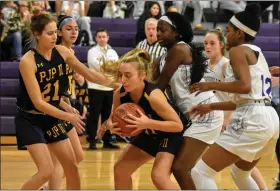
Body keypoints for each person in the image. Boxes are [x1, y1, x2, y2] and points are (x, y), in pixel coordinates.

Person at [15, 11, 113, 190]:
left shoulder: (61, 52)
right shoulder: (27, 61)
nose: (55, 37)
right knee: (46, 170)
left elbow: (89, 74)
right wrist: (67, 115)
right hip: (30, 118)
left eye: (55, 32)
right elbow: (38, 102)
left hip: (51, 116)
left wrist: (116, 83)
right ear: (37, 34)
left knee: (72, 166)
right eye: (50, 33)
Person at [189, 4, 279, 189]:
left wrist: (210, 84)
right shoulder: (258, 53)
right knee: (241, 173)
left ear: (239, 33)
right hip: (269, 118)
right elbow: (246, 101)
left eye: (228, 31)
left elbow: (244, 87)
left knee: (200, 172)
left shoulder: (238, 51)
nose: (226, 35)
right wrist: (211, 107)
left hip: (252, 119)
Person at [153, 12, 224, 190]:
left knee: (180, 167)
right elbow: (154, 85)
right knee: (184, 169)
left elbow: (158, 88)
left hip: (205, 114)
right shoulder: (163, 56)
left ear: (176, 32)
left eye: (163, 30)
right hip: (191, 115)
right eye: (157, 30)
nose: (158, 33)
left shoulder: (180, 49)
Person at [97, 48, 184, 190]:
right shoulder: (120, 94)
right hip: (149, 133)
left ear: (142, 75)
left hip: (170, 134)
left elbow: (178, 125)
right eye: (120, 75)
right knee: (120, 169)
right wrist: (110, 126)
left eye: (128, 75)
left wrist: (147, 123)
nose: (123, 80)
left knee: (159, 177)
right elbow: (114, 119)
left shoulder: (153, 95)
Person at [203, 28, 268, 190]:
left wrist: (226, 118)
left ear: (221, 44)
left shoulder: (226, 64)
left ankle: (263, 188)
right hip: (215, 116)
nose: (208, 46)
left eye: (212, 43)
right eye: (205, 43)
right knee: (239, 167)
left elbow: (244, 90)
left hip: (234, 116)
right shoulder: (205, 65)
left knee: (242, 164)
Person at [40, 15, 84, 190]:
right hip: (53, 108)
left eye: (76, 28)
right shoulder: (55, 52)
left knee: (77, 156)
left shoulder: (70, 52)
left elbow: (67, 84)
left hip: (65, 107)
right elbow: (49, 88)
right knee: (61, 162)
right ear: (58, 32)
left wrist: (70, 103)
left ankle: (47, 187)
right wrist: (65, 105)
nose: (74, 32)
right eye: (68, 29)